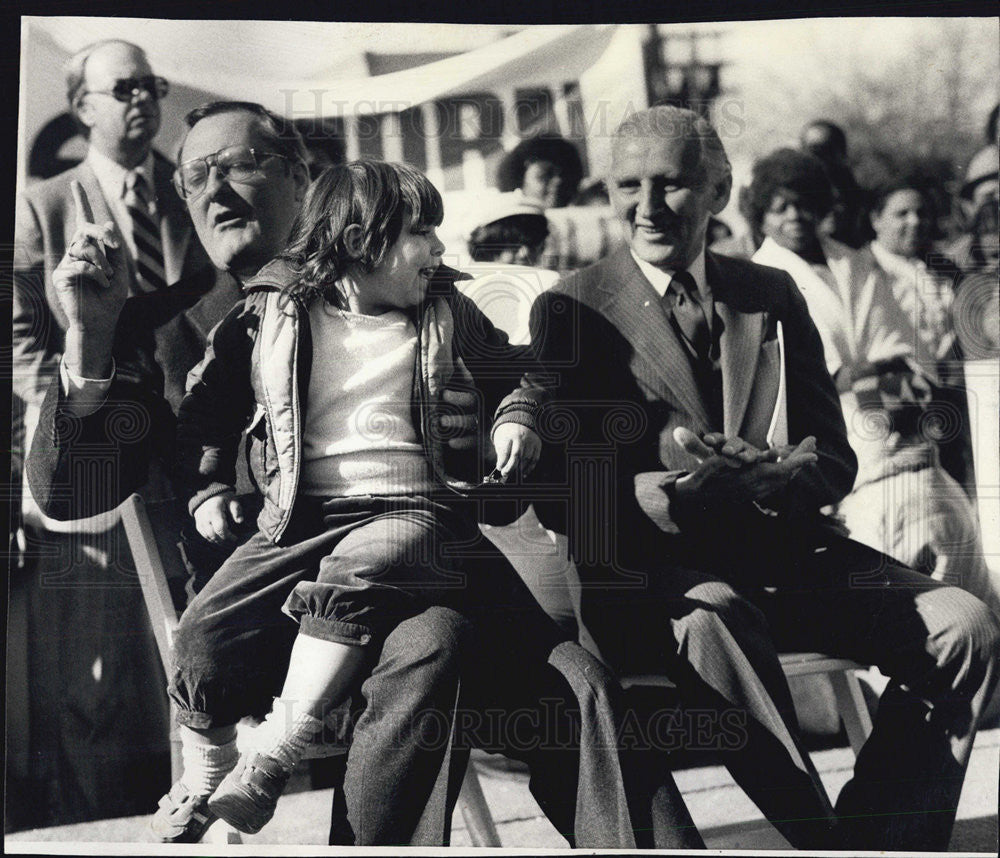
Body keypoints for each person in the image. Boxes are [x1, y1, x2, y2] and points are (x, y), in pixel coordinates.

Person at [27, 100, 699, 849]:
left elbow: (538, 443)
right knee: (436, 643)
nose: (214, 192)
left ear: (305, 178)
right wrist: (89, 342)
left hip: (432, 560)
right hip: (271, 620)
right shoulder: (163, 324)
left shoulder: (436, 293)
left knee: (579, 683)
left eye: (238, 165)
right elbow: (73, 493)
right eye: (194, 178)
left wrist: (490, 442)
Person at [506, 106, 1000, 851]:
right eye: (628, 185)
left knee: (965, 627)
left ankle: (880, 837)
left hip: (789, 557)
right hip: (651, 584)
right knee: (717, 614)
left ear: (720, 191)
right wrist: (661, 495)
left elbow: (834, 455)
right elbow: (562, 495)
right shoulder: (571, 306)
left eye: (670, 184)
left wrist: (780, 479)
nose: (647, 207)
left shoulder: (770, 293)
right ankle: (822, 836)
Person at [10, 38, 209, 826]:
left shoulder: (195, 193)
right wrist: (65, 419)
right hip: (92, 459)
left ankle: (201, 808)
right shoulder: (43, 205)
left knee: (199, 655)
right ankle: (104, 828)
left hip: (195, 461)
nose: (141, 100)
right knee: (97, 680)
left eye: (149, 85)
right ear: (83, 107)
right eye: (121, 88)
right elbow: (21, 340)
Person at [750, 152, 1000, 618]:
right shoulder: (756, 277)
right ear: (760, 211)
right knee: (899, 609)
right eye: (780, 205)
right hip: (836, 463)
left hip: (907, 447)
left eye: (804, 203)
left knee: (968, 584)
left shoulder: (854, 261)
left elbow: (905, 359)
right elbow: (813, 379)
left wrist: (858, 375)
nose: (794, 216)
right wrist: (860, 373)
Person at [799, 118, 868, 248]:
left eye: (825, 149)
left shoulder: (850, 187)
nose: (816, 156)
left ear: (840, 152)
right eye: (811, 149)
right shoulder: (797, 188)